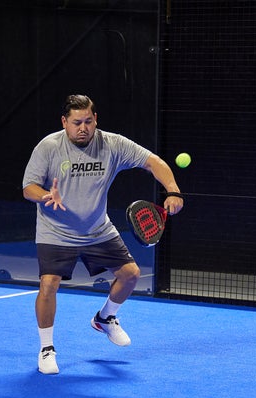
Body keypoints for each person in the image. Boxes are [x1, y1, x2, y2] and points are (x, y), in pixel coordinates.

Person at [22, 94, 184, 375]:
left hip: (97, 229)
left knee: (131, 275)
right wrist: (47, 195)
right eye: (76, 123)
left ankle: (105, 318)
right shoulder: (48, 147)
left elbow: (153, 162)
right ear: (64, 122)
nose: (82, 128)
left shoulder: (112, 144)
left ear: (96, 119)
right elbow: (28, 188)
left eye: (88, 121)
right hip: (56, 231)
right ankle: (47, 348)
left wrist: (173, 190)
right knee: (49, 284)